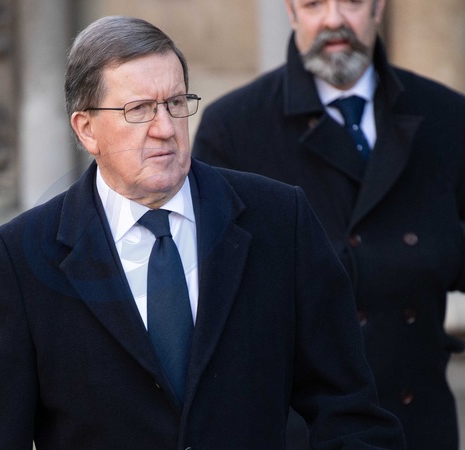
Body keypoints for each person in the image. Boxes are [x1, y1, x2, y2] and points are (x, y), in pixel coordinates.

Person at [0, 15, 405, 449]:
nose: (165, 129)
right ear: (87, 129)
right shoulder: (20, 258)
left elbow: (348, 412)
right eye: (139, 109)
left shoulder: (279, 219)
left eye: (175, 103)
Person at [193, 1, 465, 449]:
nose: (334, 19)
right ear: (291, 11)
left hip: (419, 423)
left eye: (352, 1)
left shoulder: (448, 116)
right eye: (314, 3)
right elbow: (213, 299)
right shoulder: (233, 129)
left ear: (378, 7)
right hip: (303, 433)